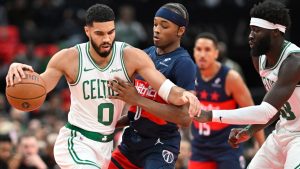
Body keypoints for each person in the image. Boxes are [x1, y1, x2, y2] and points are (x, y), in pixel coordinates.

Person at [5, 4, 200, 169]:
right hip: (77, 141)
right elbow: (40, 86)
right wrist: (20, 72)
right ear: (87, 31)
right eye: (99, 33)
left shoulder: (131, 56)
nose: (106, 39)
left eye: (110, 32)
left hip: (106, 147)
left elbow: (167, 89)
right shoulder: (69, 57)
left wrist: (186, 96)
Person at [192, 1, 300, 169]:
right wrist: (250, 130)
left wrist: (210, 116)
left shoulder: (294, 63)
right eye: (251, 29)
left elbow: (265, 112)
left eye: (257, 31)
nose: (250, 36)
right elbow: (275, 108)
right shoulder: (259, 57)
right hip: (283, 131)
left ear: (276, 33)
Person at [108, 3, 196, 169]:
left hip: (160, 145)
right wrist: (108, 123)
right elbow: (138, 114)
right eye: (155, 24)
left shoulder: (183, 63)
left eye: (164, 26)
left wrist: (138, 99)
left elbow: (185, 118)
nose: (157, 29)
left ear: (180, 31)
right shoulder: (145, 55)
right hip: (131, 143)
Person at [188, 33, 265, 169]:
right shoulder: (189, 74)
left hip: (227, 148)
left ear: (216, 53)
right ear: (193, 51)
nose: (202, 54)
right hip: (199, 148)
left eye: (207, 50)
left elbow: (254, 113)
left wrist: (261, 146)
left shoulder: (231, 78)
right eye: (199, 49)